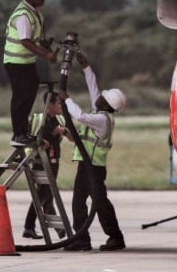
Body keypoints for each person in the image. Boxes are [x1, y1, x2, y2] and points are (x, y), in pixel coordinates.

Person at [59, 53, 127, 252]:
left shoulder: (101, 119)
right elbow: (93, 88)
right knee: (83, 201)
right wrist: (86, 68)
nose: (98, 98)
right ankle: (83, 238)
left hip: (93, 167)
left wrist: (67, 99)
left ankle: (113, 237)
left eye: (103, 99)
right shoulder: (102, 113)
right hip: (88, 164)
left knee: (98, 202)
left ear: (107, 105)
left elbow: (79, 116)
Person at [3, 0, 57, 147]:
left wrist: (47, 45)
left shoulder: (37, 15)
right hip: (16, 62)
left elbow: (38, 40)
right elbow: (25, 41)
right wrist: (46, 54)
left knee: (30, 91)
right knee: (20, 96)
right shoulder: (23, 15)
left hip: (27, 62)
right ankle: (18, 133)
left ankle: (23, 131)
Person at [22, 91, 72, 240]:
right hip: (39, 161)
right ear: (49, 105)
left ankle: (36, 228)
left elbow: (72, 138)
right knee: (44, 195)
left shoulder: (60, 119)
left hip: (54, 161)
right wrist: (43, 140)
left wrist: (63, 131)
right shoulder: (38, 119)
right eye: (58, 103)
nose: (61, 106)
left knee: (45, 195)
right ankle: (30, 226)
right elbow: (27, 138)